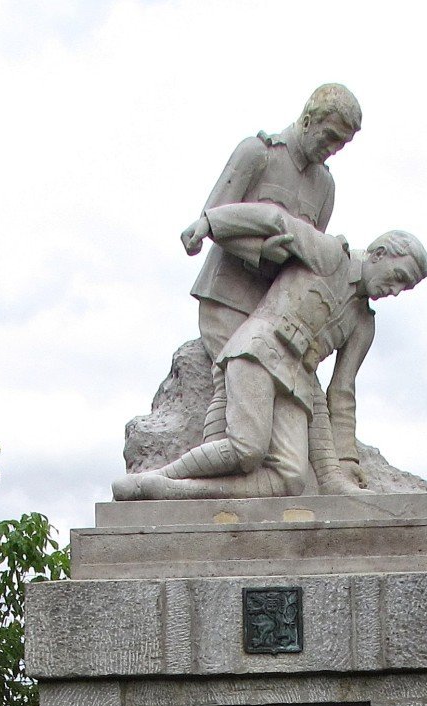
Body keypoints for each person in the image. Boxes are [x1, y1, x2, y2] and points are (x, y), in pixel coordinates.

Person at [114, 204, 427, 500]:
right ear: (379, 254)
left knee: (291, 478)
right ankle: (156, 478)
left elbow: (343, 392)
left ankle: (171, 490)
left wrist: (346, 461)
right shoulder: (330, 256)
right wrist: (211, 222)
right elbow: (276, 220)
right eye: (398, 277)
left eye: (406, 288)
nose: (396, 290)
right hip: (258, 352)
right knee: (247, 449)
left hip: (296, 382)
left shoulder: (363, 324)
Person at [183, 84, 362, 443]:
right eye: (329, 137)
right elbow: (212, 218)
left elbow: (308, 254)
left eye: (341, 145)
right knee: (237, 384)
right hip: (227, 299)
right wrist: (259, 252)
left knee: (284, 404)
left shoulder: (325, 185)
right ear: (308, 120)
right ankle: (211, 466)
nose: (332, 149)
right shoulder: (257, 153)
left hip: (276, 311)